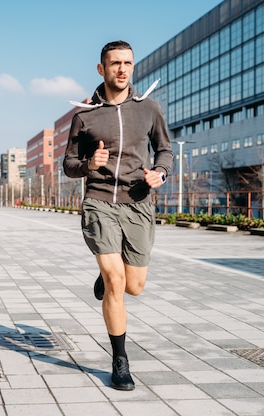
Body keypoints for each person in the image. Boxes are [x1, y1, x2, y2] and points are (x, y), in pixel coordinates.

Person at [63, 40, 173, 391]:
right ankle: (120, 360)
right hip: (99, 202)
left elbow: (165, 150)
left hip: (139, 202)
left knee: (135, 287)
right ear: (102, 69)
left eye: (127, 63)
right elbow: (68, 164)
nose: (122, 69)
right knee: (115, 282)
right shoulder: (84, 114)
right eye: (114, 64)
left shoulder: (149, 108)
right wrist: (87, 164)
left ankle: (107, 276)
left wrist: (160, 173)